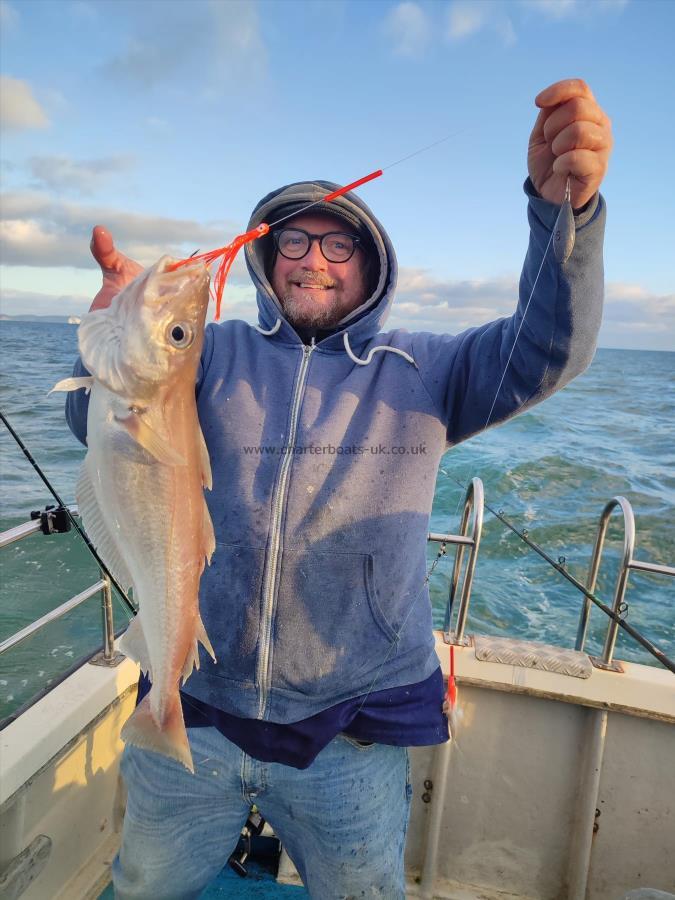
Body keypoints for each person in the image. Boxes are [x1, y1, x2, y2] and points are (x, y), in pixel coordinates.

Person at [66, 78, 612, 899]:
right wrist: (110, 338)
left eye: (337, 244)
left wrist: (560, 214)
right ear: (264, 258)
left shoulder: (429, 368)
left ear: (371, 264)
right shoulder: (208, 355)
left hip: (351, 729)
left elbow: (548, 346)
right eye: (293, 242)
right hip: (201, 706)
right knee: (146, 883)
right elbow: (107, 440)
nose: (313, 259)